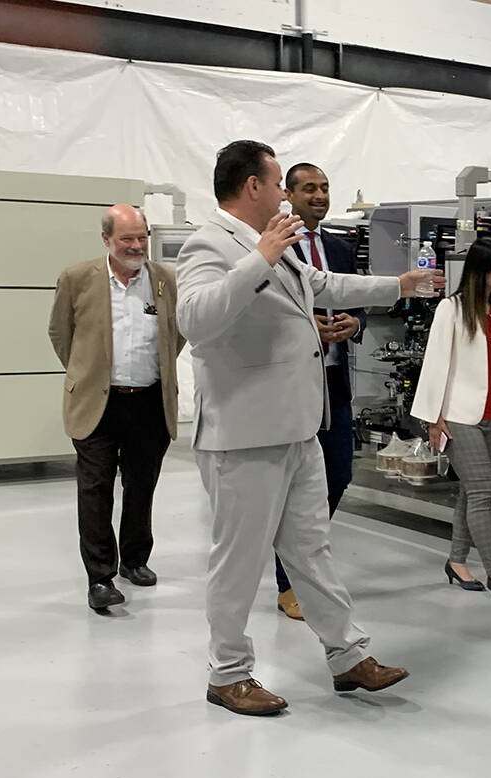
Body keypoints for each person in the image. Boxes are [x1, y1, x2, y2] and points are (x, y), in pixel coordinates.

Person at [177, 139, 440, 716]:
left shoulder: (275, 246)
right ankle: (228, 674)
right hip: (244, 438)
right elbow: (195, 319)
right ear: (253, 187)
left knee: (313, 551)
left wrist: (397, 287)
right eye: (278, 184)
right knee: (238, 561)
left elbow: (322, 288)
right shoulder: (212, 243)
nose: (286, 196)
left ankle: (347, 656)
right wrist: (261, 259)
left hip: (298, 429)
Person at [48, 205, 184, 611]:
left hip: (149, 401)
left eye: (141, 237)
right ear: (106, 239)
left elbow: (176, 335)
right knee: (95, 490)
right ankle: (100, 577)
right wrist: (86, 374)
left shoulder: (166, 280)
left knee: (142, 486)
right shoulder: (77, 278)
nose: (136, 245)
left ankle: (135, 559)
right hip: (97, 404)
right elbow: (60, 334)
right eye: (127, 238)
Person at [411, 237, 491, 600]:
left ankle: (456, 561)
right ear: (483, 272)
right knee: (482, 490)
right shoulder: (451, 309)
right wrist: (434, 418)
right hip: (458, 417)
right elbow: (435, 364)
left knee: (470, 490)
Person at [271, 162, 364, 622]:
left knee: (339, 476)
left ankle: (304, 564)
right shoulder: (275, 247)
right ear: (287, 195)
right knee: (291, 487)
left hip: (335, 382)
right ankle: (290, 582)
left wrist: (356, 324)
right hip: (292, 384)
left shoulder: (341, 249)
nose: (320, 195)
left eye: (325, 187)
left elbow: (353, 301)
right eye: (309, 188)